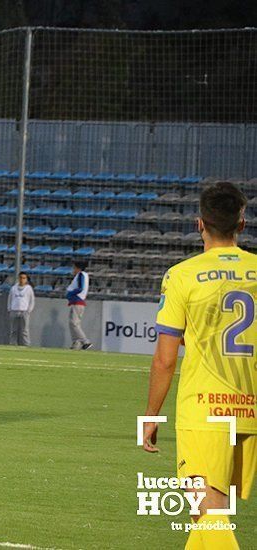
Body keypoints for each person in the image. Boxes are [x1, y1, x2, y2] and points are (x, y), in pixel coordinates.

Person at [141, 181, 255, 550]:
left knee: (211, 516)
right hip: (249, 410)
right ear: (241, 224)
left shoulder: (182, 275)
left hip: (206, 409)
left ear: (199, 224)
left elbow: (165, 358)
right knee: (204, 517)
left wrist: (151, 417)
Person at [66, 260, 92, 350]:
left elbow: (80, 288)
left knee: (74, 323)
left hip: (77, 301)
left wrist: (71, 293)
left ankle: (85, 341)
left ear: (78, 268)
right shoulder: (83, 275)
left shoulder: (81, 275)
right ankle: (76, 343)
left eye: (74, 267)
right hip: (77, 301)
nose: (73, 269)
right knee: (73, 323)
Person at [7, 272, 35, 346]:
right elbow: (10, 298)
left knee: (25, 330)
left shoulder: (29, 289)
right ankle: (12, 343)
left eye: (23, 278)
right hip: (14, 310)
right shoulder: (13, 288)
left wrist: (29, 310)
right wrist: (9, 309)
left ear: (26, 279)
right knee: (13, 330)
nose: (22, 280)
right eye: (20, 278)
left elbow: (32, 300)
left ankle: (26, 344)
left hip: (24, 311)